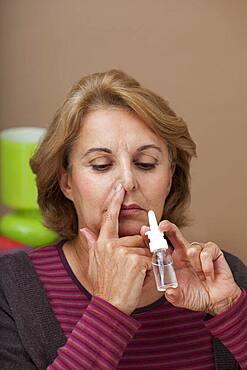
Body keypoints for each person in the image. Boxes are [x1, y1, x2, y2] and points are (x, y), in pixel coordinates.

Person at [0, 69, 246, 370]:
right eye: (101, 165)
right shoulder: (10, 289)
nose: (128, 181)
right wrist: (109, 309)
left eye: (146, 163)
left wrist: (232, 314)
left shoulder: (227, 277)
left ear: (170, 177)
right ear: (66, 182)